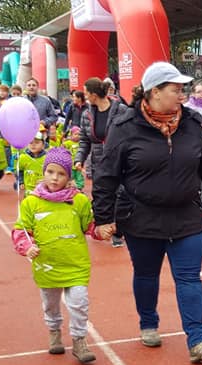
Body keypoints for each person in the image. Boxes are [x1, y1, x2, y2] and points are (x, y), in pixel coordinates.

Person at [93, 62, 202, 363]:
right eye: (175, 89)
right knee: (146, 275)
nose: (182, 94)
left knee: (189, 278)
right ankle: (148, 322)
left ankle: (198, 340)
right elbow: (106, 175)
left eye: (183, 89)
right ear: (154, 92)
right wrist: (103, 218)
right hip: (141, 217)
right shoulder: (125, 126)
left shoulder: (191, 123)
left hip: (186, 216)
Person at [12, 148, 96, 362]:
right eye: (50, 172)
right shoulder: (31, 202)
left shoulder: (79, 201)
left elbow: (89, 226)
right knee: (50, 304)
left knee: (79, 303)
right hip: (47, 266)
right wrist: (26, 247)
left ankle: (79, 340)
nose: (55, 178)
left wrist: (102, 230)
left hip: (75, 264)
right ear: (44, 172)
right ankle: (54, 331)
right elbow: (21, 231)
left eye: (61, 173)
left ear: (69, 177)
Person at [75, 77, 130, 246]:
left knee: (121, 195)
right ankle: (105, 226)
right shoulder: (87, 114)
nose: (84, 97)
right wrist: (79, 159)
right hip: (99, 161)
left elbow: (131, 134)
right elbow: (84, 140)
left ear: (93, 95)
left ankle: (119, 231)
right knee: (103, 196)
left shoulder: (121, 110)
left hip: (121, 160)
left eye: (86, 93)